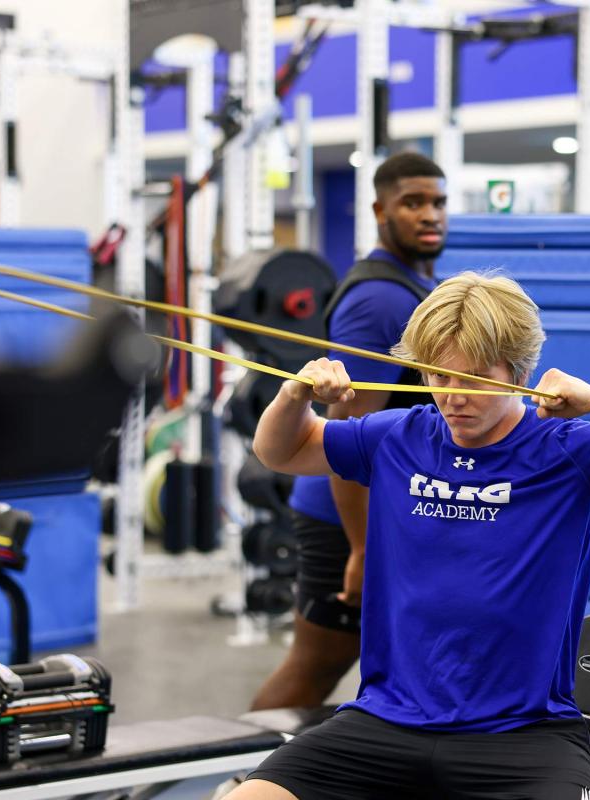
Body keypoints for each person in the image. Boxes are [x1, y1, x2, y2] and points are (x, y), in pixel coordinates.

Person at [230, 271, 590, 799]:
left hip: (524, 737)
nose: (453, 398)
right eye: (440, 377)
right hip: (386, 723)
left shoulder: (570, 449)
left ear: (519, 372)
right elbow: (280, 451)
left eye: (475, 379)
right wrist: (294, 395)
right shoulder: (399, 436)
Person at [251, 152, 448, 710]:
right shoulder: (379, 300)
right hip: (342, 515)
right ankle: (247, 763)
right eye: (413, 203)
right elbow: (348, 437)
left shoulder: (413, 286)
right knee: (314, 667)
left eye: (438, 202)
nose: (430, 215)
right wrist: (362, 548)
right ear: (380, 211)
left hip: (377, 510)